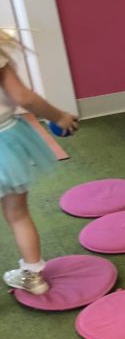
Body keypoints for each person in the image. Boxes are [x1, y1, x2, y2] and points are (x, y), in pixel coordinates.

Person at [0, 31, 79, 295]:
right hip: (6, 142)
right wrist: (59, 117)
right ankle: (34, 277)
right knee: (18, 214)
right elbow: (25, 98)